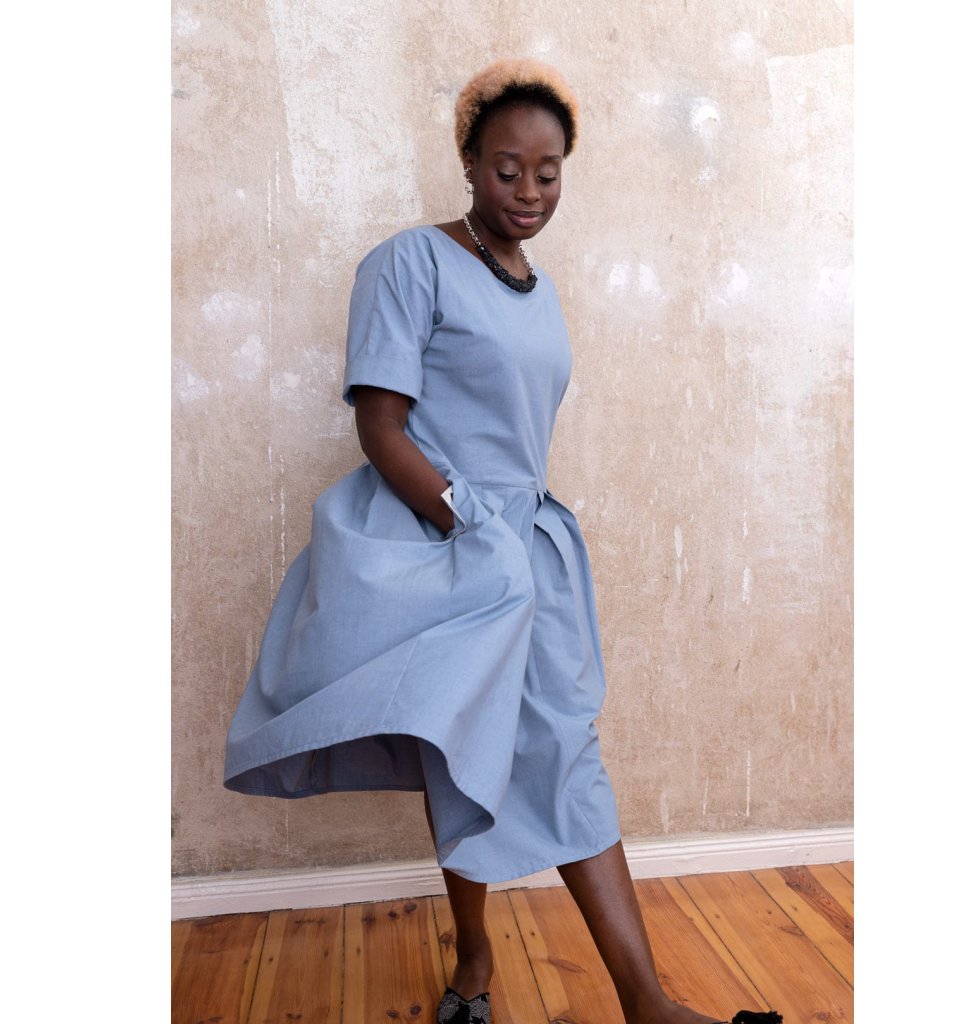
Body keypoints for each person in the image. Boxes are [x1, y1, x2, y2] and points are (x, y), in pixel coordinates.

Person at [223, 58, 780, 1024]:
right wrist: (470, 527)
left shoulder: (541, 289)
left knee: (560, 748)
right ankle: (522, 968)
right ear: (470, 165)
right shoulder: (408, 261)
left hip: (528, 548)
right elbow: (382, 427)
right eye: (506, 169)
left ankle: (599, 994)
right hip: (443, 542)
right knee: (466, 750)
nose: (528, 190)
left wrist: (516, 540)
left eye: (547, 172)